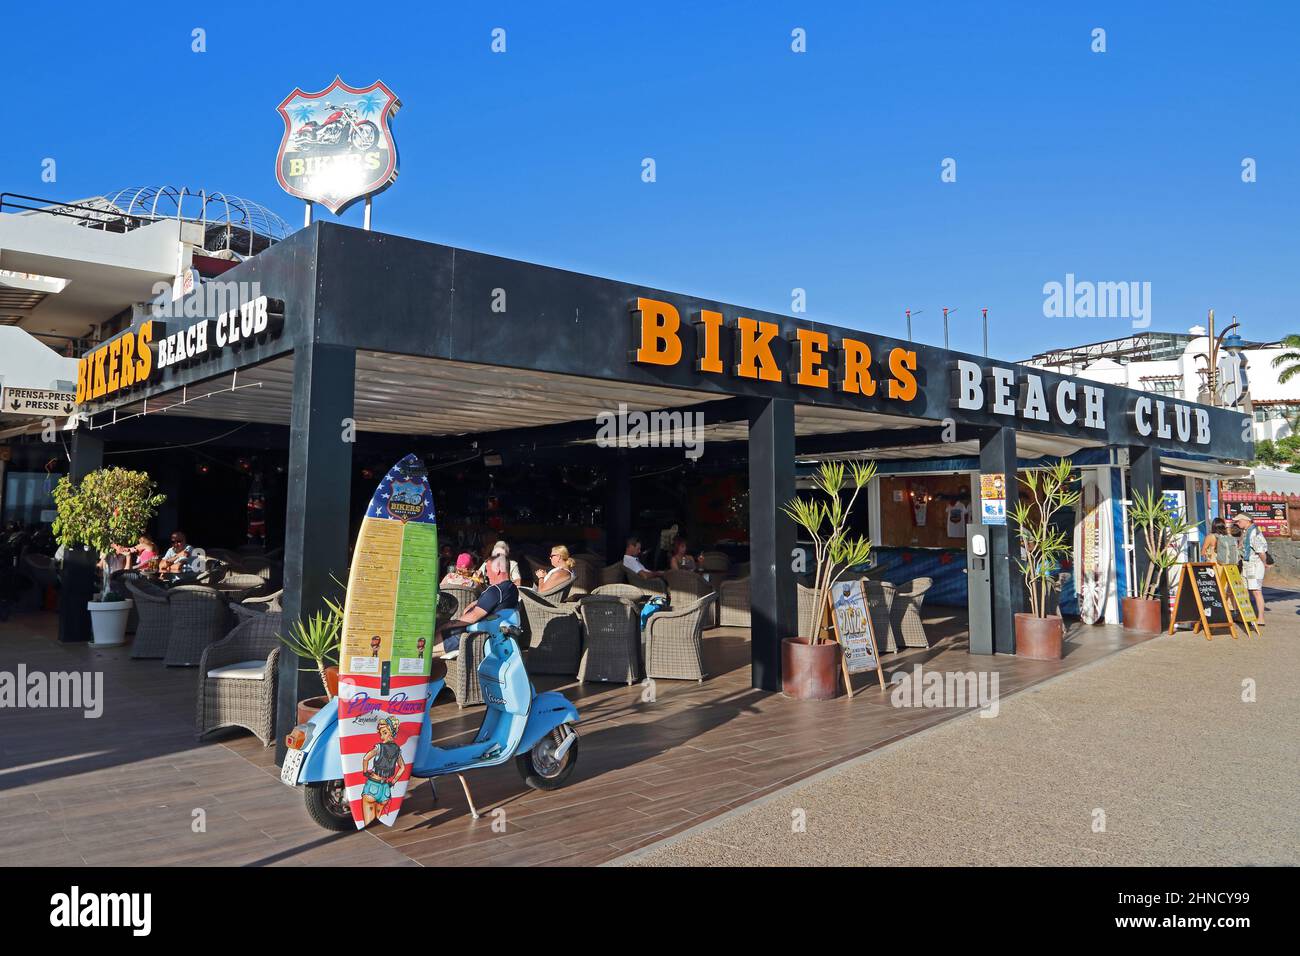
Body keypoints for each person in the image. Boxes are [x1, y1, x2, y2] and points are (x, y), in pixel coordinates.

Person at [434, 556, 518, 658]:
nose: (486, 574)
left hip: (471, 636)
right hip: (491, 636)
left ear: (498, 569)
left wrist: (446, 625)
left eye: (488, 570)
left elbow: (471, 617)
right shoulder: (512, 589)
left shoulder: (495, 591)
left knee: (423, 648)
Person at [1233, 513, 1268, 621]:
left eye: (1239, 521)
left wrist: (1265, 563)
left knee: (1256, 591)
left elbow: (1261, 551)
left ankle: (1261, 618)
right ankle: (1244, 615)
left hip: (1255, 565)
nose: (1237, 523)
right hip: (1247, 565)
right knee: (1244, 590)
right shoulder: (1246, 531)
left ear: (1246, 520)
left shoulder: (1254, 532)